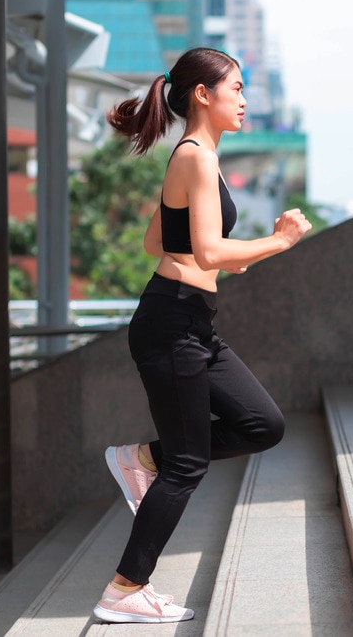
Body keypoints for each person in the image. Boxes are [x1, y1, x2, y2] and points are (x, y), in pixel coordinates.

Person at [91, 47, 311, 624]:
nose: (244, 99)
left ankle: (141, 458)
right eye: (236, 88)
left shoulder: (199, 157)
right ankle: (125, 589)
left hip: (189, 320)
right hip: (172, 324)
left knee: (262, 424)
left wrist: (214, 262)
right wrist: (277, 241)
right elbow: (208, 247)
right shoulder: (193, 156)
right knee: (188, 464)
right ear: (203, 95)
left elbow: (156, 242)